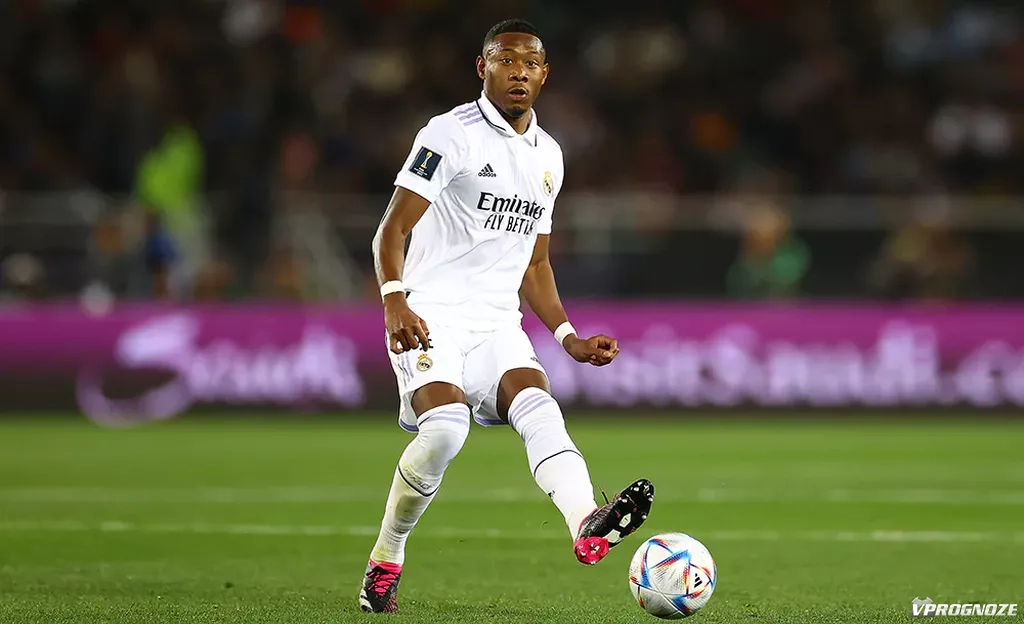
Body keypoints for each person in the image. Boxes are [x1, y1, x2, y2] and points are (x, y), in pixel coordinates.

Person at [359, 19, 655, 614]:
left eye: (530, 63)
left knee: (538, 404)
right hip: (430, 315)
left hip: (497, 323)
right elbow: (391, 229)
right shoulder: (450, 134)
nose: (518, 71)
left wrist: (567, 337)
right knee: (446, 430)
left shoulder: (549, 156)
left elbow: (536, 262)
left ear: (545, 75)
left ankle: (585, 523)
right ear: (483, 67)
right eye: (505, 59)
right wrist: (394, 298)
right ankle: (387, 556)